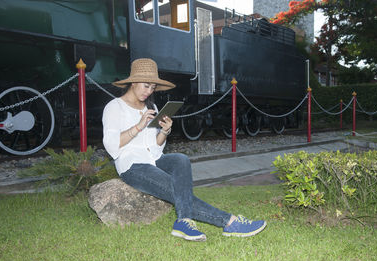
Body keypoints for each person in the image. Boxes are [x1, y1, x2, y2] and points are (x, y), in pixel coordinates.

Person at [102, 58, 267, 241]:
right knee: (178, 191)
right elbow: (111, 146)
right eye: (146, 86)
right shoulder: (114, 107)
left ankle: (183, 221)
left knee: (181, 159)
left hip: (154, 159)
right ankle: (230, 222)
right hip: (133, 165)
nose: (149, 91)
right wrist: (138, 126)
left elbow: (155, 146)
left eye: (152, 88)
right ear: (133, 82)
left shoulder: (152, 107)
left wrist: (165, 131)